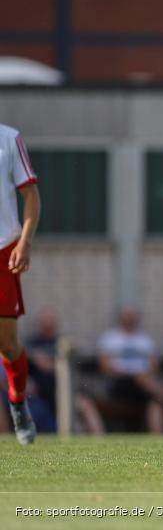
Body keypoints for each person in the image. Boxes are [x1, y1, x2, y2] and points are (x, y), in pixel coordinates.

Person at [0, 123, 39, 445]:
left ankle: (18, 401)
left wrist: (24, 244)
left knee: (8, 345)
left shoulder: (9, 138)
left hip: (3, 251)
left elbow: (31, 196)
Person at [98, 308, 163, 433]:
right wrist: (130, 373)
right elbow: (104, 367)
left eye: (133, 316)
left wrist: (145, 374)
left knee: (155, 402)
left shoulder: (144, 339)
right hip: (119, 382)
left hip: (143, 386)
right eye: (128, 316)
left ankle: (158, 441)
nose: (131, 319)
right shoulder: (110, 338)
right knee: (140, 378)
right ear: (121, 318)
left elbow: (155, 367)